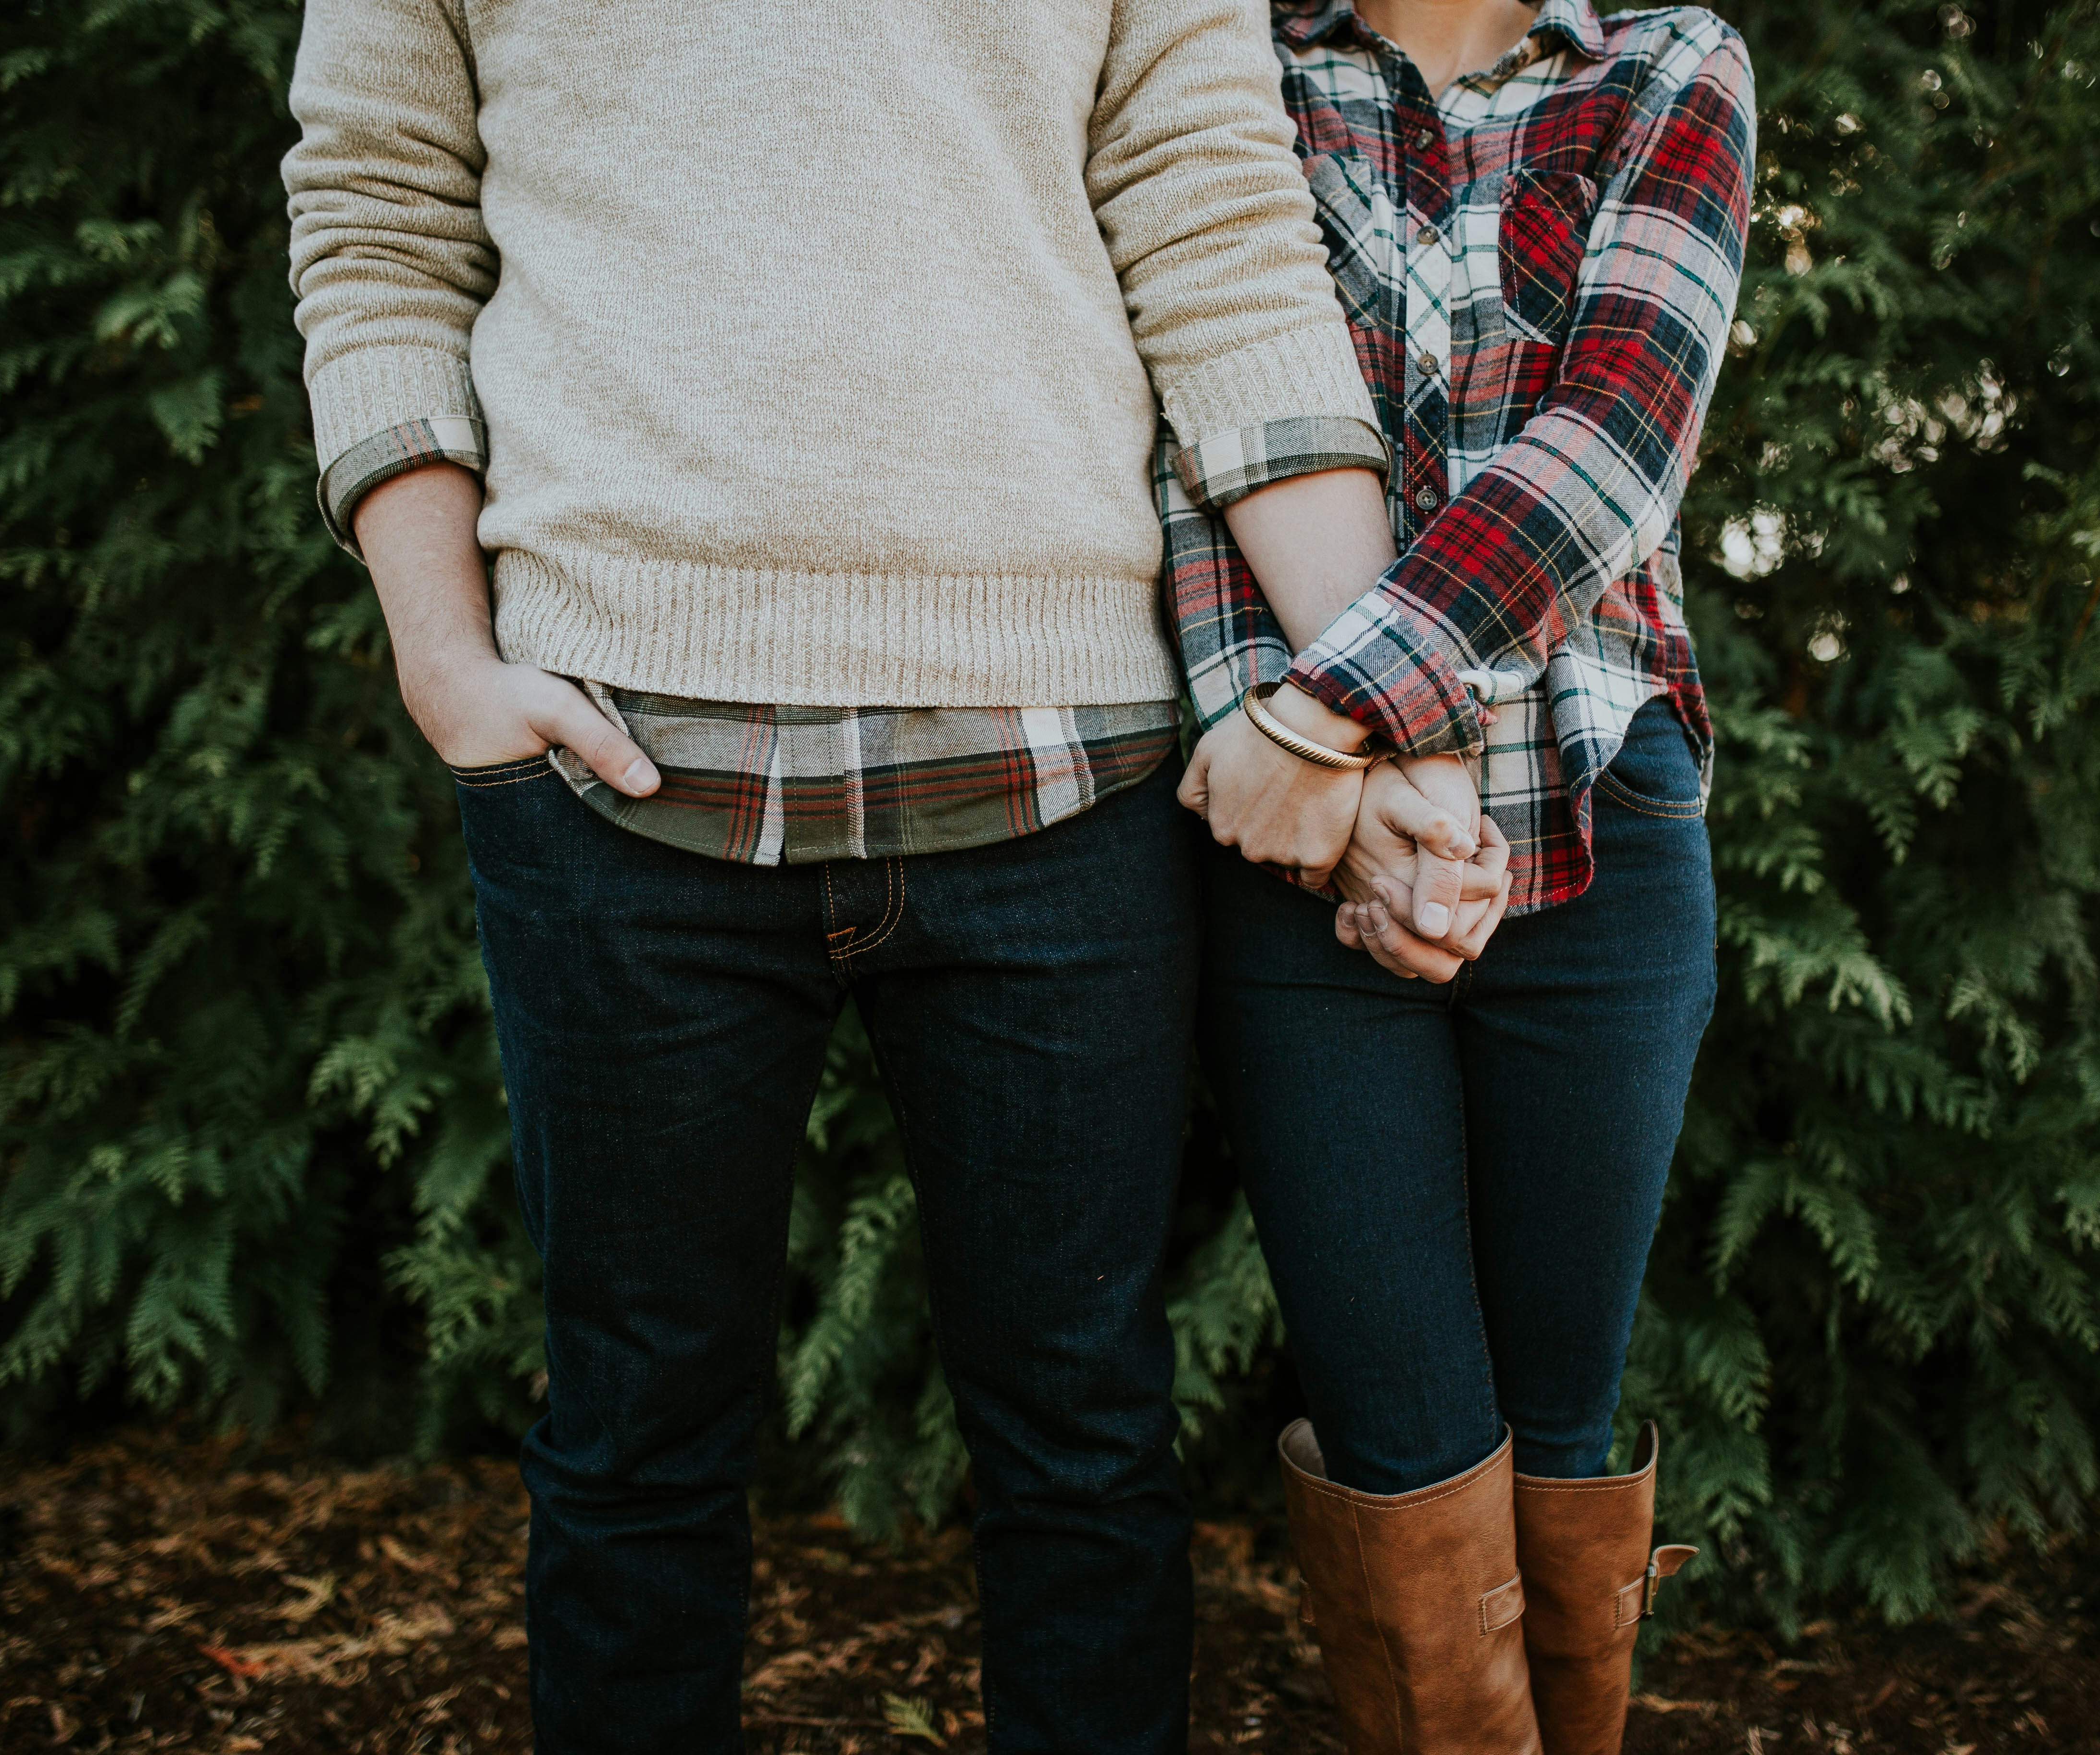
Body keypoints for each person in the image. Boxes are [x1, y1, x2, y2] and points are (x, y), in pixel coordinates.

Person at [279, 2, 1417, 1749]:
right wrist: (443, 656)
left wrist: (1374, 702)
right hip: (614, 777)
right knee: (634, 1439)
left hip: (1064, 776)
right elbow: (376, 216)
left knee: (1084, 1444)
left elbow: (1220, 237)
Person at [1164, 0, 1756, 1748]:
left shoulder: (1665, 63)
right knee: (1402, 1448)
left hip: (1595, 809)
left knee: (1563, 1430)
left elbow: (1617, 440)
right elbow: (1191, 434)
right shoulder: (1227, 63)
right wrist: (1324, 786)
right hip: (1299, 848)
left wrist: (1337, 720)